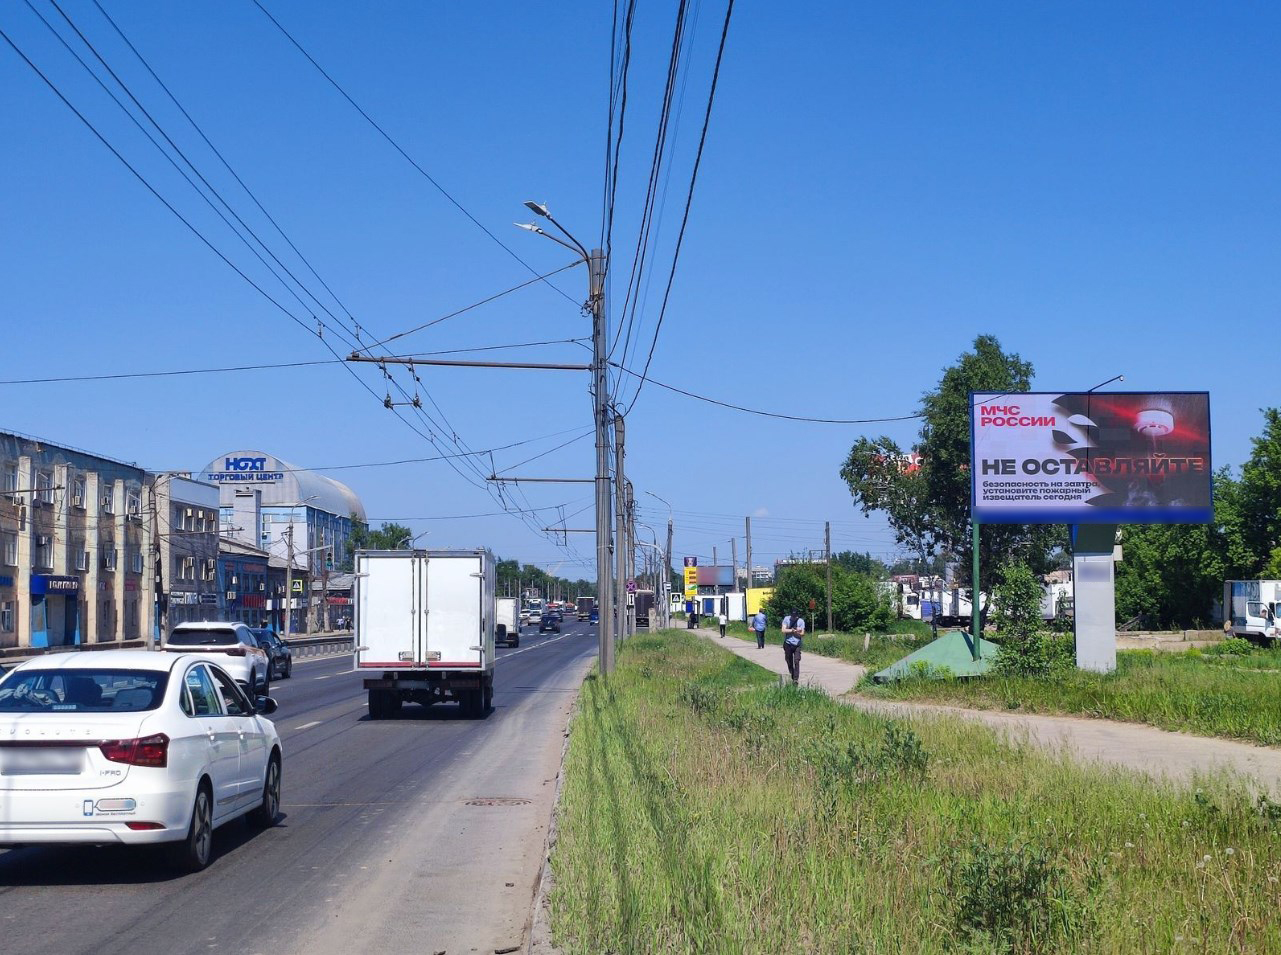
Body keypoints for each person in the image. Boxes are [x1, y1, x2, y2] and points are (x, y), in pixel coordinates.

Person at [781, 609, 805, 685]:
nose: (793, 617)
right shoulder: (786, 619)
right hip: (788, 643)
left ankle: (795, 679)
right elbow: (783, 630)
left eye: (795, 616)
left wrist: (799, 631)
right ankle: (792, 673)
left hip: (797, 644)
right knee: (788, 660)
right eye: (792, 616)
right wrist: (792, 630)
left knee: (796, 660)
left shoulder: (801, 621)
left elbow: (803, 633)